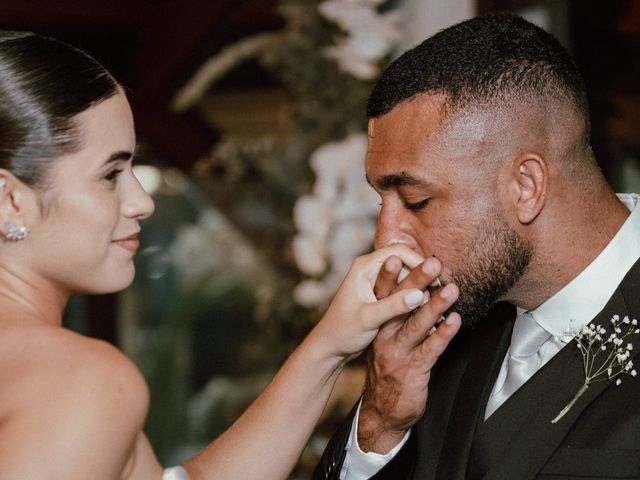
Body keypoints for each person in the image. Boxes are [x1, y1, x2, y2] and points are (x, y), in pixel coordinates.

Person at [0, 31, 456, 480]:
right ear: (9, 200)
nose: (142, 202)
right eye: (110, 174)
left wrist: (329, 343)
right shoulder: (84, 382)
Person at [315, 12, 640, 480]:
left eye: (416, 200)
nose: (386, 239)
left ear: (525, 186)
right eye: (380, 202)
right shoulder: (437, 338)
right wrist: (381, 424)